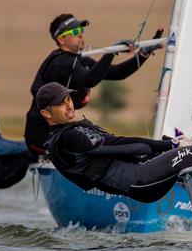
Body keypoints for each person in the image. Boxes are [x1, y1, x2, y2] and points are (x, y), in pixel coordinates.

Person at [37, 82, 192, 203]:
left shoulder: (61, 138)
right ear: (46, 113)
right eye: (60, 103)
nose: (69, 105)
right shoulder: (69, 137)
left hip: (139, 186)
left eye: (68, 99)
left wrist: (164, 149)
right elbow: (126, 146)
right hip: (143, 180)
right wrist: (172, 145)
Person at [24, 13, 162, 153]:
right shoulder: (61, 62)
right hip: (40, 137)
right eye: (75, 32)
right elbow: (90, 79)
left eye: (82, 31)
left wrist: (144, 54)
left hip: (58, 133)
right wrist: (112, 51)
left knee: (102, 142)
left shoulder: (78, 59)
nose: (81, 35)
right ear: (61, 39)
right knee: (96, 147)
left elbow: (118, 73)